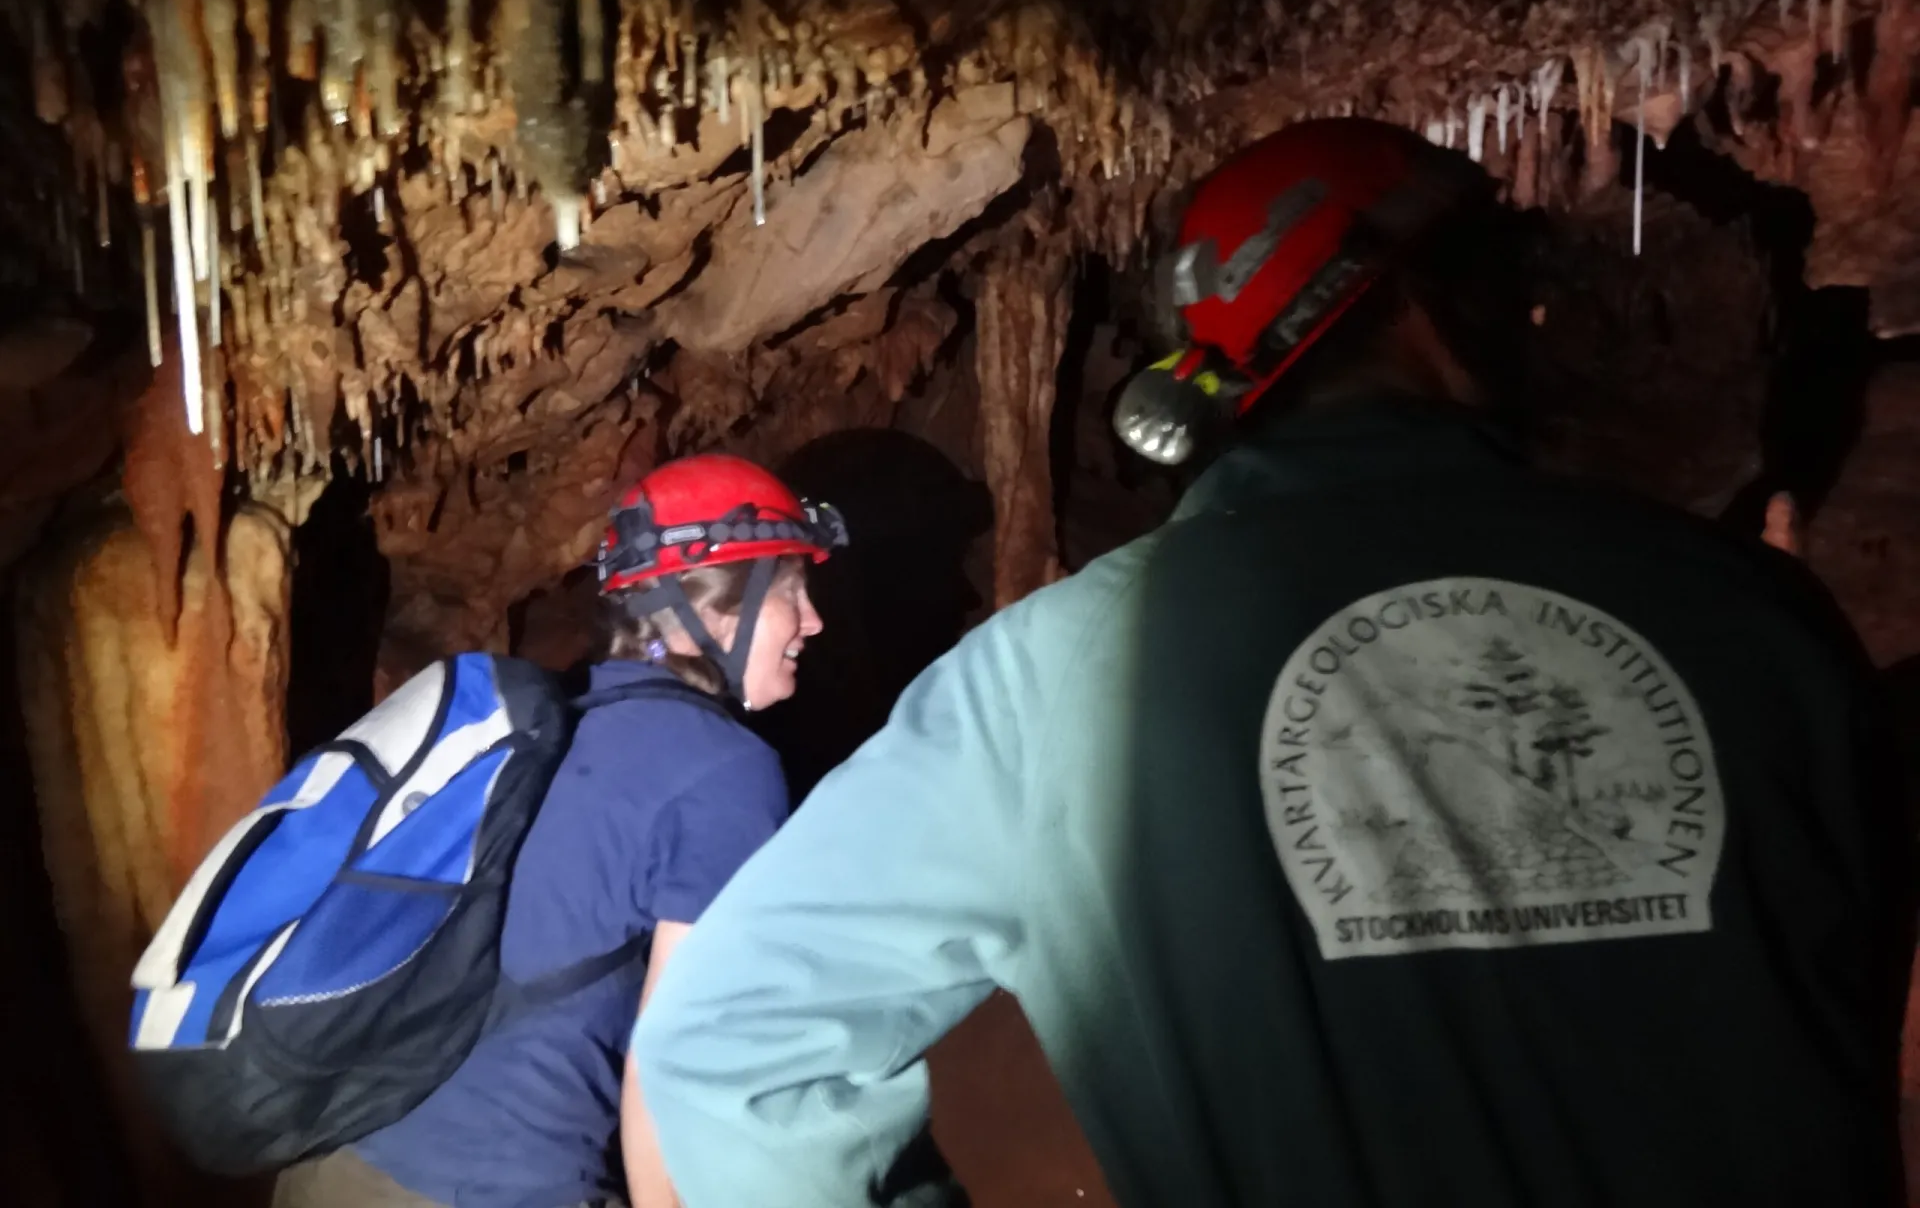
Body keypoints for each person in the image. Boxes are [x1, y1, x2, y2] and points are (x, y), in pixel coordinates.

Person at [629, 119, 1914, 1207]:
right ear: (1419, 308)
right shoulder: (1753, 614)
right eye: (1500, 274)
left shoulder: (1059, 677)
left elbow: (732, 1050)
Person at [274, 454, 842, 1208]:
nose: (814, 621)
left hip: (331, 1164)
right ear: (716, 610)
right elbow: (673, 1061)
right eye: (792, 592)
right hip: (489, 1186)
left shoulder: (545, 721)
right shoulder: (727, 773)